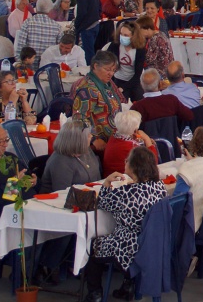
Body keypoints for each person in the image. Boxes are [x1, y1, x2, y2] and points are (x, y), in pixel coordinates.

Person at [81, 147, 165, 302]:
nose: (125, 161)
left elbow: (101, 203)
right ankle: (128, 284)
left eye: (128, 160)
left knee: (93, 244)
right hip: (152, 242)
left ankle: (95, 292)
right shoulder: (159, 187)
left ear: (134, 167)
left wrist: (107, 182)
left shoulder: (126, 193)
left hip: (129, 245)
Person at [72, 50, 126, 151]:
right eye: (107, 69)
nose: (111, 73)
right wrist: (93, 139)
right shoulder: (88, 89)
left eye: (113, 70)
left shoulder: (106, 84)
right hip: (99, 143)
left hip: (112, 139)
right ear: (96, 66)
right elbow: (79, 117)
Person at [38, 119, 101, 193]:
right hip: (61, 198)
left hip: (88, 195)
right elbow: (62, 193)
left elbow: (97, 177)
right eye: (87, 135)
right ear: (77, 140)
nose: (91, 136)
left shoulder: (86, 150)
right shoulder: (60, 161)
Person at [101, 110, 157, 177]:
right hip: (123, 180)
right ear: (135, 130)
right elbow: (152, 164)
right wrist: (147, 140)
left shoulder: (113, 138)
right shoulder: (131, 147)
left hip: (112, 177)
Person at [105, 21, 147, 101]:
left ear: (133, 36)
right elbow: (105, 60)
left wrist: (122, 88)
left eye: (126, 35)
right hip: (118, 78)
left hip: (134, 81)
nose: (122, 37)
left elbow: (137, 75)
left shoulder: (140, 50)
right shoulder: (115, 45)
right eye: (121, 34)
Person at [70, 0, 102, 64]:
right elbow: (99, 7)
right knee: (90, 50)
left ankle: (89, 70)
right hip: (95, 24)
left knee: (87, 53)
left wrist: (76, 25)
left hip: (87, 26)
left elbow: (82, 11)